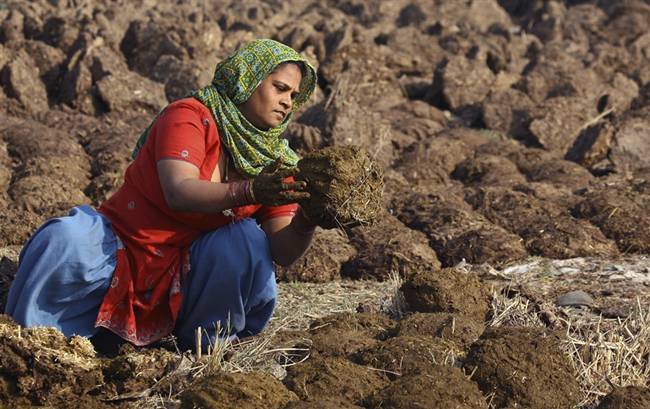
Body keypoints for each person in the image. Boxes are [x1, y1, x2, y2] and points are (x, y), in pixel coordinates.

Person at [4, 39, 319, 352]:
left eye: (294, 95)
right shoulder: (190, 116)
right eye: (279, 88)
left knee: (246, 240)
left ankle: (208, 345)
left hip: (191, 276)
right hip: (124, 247)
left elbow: (283, 250)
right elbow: (178, 190)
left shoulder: (278, 162)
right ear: (246, 79)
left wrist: (308, 219)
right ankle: (33, 345)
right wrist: (249, 190)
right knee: (65, 238)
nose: (288, 102)